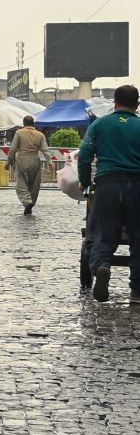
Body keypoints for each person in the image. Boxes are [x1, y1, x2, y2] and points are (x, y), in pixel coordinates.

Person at [78, 84, 140, 303]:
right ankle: (137, 291)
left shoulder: (100, 124)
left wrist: (86, 183)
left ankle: (102, 266)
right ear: (137, 104)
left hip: (107, 186)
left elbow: (85, 155)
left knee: (100, 234)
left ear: (115, 102)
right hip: (137, 187)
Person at [8, 116, 49, 216]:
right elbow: (45, 150)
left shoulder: (19, 133)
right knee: (34, 185)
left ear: (23, 123)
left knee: (21, 183)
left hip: (22, 159)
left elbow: (13, 149)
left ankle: (27, 202)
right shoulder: (40, 135)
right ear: (33, 123)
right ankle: (31, 204)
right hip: (35, 160)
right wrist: (50, 161)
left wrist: (8, 162)